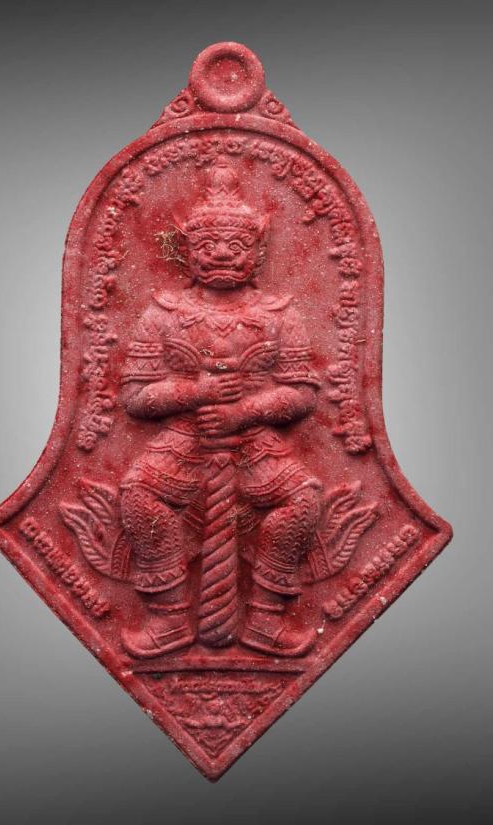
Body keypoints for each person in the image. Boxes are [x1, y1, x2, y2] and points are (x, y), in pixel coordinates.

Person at [120, 156, 322, 658]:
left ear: (257, 251)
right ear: (187, 252)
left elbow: (301, 393)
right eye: (208, 246)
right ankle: (169, 618)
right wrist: (196, 393)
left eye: (236, 246)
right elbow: (136, 397)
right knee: (137, 495)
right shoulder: (163, 314)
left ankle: (266, 620)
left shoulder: (279, 315)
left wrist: (244, 412)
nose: (223, 255)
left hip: (256, 443)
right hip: (182, 443)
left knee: (303, 501)